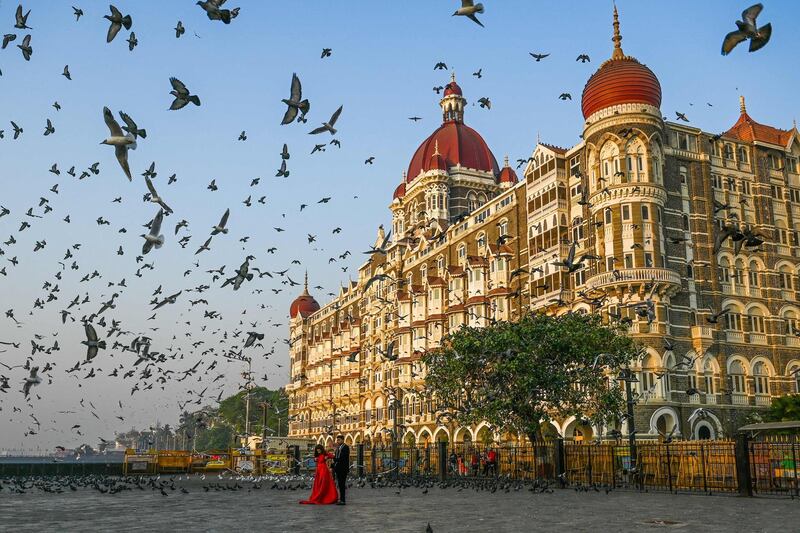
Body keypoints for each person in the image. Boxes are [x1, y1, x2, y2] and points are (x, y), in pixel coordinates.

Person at [332, 435, 350, 505]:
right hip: (338, 469)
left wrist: (335, 459)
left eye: (339, 440)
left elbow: (343, 458)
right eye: (337, 440)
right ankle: (341, 499)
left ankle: (343, 500)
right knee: (340, 484)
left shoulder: (345, 447)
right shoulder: (338, 448)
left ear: (343, 440)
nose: (337, 441)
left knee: (342, 485)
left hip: (343, 469)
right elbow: (336, 457)